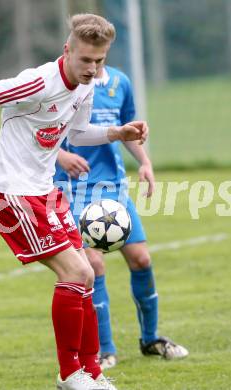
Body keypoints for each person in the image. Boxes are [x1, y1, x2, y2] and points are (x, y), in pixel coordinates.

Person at [0, 13, 149, 390]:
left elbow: (76, 134)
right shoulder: (38, 82)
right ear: (68, 50)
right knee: (76, 273)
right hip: (12, 194)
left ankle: (92, 372)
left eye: (100, 61)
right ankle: (69, 374)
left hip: (44, 192)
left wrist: (116, 133)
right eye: (86, 60)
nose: (93, 69)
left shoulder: (85, 86)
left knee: (88, 274)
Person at [54, 63, 189, 370]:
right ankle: (104, 349)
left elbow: (124, 127)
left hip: (112, 187)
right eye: (86, 55)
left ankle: (151, 339)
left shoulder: (119, 82)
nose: (92, 62)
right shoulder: (63, 83)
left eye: (97, 55)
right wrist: (60, 155)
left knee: (141, 259)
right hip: (73, 189)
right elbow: (36, 129)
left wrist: (144, 161)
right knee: (94, 265)